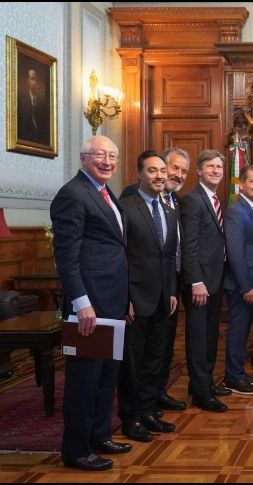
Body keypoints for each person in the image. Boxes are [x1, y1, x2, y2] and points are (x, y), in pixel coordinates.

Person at [51, 135, 131, 471]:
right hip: (89, 306)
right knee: (84, 380)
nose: (108, 161)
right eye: (100, 155)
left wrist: (125, 299)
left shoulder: (104, 192)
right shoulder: (72, 194)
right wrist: (81, 303)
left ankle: (99, 436)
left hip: (112, 302)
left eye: (112, 155)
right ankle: (76, 450)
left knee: (106, 377)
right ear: (84, 158)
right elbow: (66, 257)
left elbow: (115, 248)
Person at [118, 151, 178, 442]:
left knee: (155, 359)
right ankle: (130, 419)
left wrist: (172, 292)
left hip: (162, 298)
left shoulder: (168, 209)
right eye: (152, 171)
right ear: (140, 174)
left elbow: (168, 257)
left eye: (162, 171)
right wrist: (124, 296)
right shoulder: (126, 208)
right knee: (133, 363)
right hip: (135, 299)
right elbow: (121, 257)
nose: (159, 176)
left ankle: (148, 411)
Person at [180, 149, 230, 411]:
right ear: (199, 171)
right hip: (200, 283)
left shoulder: (213, 198)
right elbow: (190, 246)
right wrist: (196, 281)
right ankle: (201, 393)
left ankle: (204, 382)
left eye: (219, 168)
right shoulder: (193, 200)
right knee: (198, 338)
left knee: (210, 336)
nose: (215, 171)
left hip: (215, 279)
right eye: (210, 167)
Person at [222, 165, 253, 396]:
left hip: (252, 281)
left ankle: (238, 371)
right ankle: (233, 377)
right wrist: (246, 285)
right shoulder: (236, 211)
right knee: (238, 331)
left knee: (245, 330)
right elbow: (235, 251)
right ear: (241, 185)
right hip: (242, 284)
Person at [155, 147, 191, 412]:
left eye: (183, 171)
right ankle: (143, 405)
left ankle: (159, 393)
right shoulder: (138, 197)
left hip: (172, 283)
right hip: (149, 287)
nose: (178, 175)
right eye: (174, 168)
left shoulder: (175, 201)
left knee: (165, 345)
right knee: (149, 349)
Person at [17, 67, 49, 145]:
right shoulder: (21, 100)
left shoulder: (43, 104)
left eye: (36, 80)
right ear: (27, 81)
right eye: (32, 79)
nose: (35, 82)